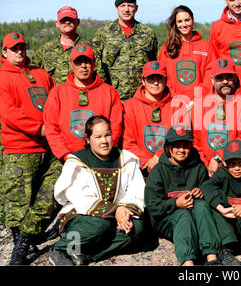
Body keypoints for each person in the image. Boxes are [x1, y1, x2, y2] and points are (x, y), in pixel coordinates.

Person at [49, 116, 146, 266]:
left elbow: (136, 189)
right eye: (98, 136)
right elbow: (81, 198)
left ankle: (85, 256)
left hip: (115, 216)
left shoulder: (125, 158)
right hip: (83, 216)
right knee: (101, 225)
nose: (104, 141)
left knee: (137, 229)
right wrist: (116, 210)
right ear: (88, 139)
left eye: (107, 135)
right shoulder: (77, 162)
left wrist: (125, 212)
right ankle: (60, 249)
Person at [0, 32, 62, 265]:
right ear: (4, 52)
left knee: (45, 196)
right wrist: (41, 128)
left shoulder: (40, 73)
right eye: (14, 48)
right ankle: (21, 247)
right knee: (18, 201)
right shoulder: (3, 78)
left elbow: (56, 99)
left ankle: (30, 236)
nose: (20, 52)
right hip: (20, 149)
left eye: (22, 47)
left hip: (48, 147)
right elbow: (9, 114)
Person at [144, 126, 221, 266]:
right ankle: (188, 262)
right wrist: (175, 204)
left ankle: (211, 256)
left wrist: (201, 191)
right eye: (176, 146)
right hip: (165, 218)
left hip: (193, 214)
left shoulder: (197, 166)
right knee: (182, 215)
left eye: (185, 146)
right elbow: (152, 206)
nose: (181, 150)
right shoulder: (158, 171)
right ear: (167, 147)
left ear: (191, 146)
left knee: (202, 205)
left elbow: (207, 187)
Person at [44, 44, 123, 162]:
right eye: (78, 62)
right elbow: (51, 129)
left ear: (94, 63)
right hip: (66, 158)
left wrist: (101, 153)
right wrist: (66, 156)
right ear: (71, 65)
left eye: (87, 61)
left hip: (101, 157)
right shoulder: (57, 93)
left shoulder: (110, 92)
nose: (83, 66)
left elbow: (115, 127)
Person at [192, 58, 241, 177]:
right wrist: (204, 165)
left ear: (236, 77)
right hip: (204, 169)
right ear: (212, 80)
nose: (225, 81)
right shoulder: (199, 105)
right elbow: (195, 142)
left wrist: (219, 156)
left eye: (229, 76)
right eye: (220, 78)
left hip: (235, 168)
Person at [123, 60, 190, 176]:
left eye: (159, 78)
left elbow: (181, 139)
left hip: (170, 166)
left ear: (166, 80)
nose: (155, 83)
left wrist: (159, 156)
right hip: (139, 168)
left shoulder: (178, 105)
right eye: (151, 79)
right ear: (143, 81)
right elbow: (128, 143)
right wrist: (147, 163)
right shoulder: (130, 106)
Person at [92, 0, 158, 100]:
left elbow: (155, 63)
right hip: (112, 95)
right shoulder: (103, 34)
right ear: (116, 8)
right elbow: (96, 64)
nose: (126, 9)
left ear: (136, 8)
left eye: (130, 6)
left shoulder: (148, 34)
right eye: (123, 6)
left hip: (142, 96)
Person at [158, 5, 211, 108]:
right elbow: (163, 76)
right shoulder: (167, 48)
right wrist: (174, 98)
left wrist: (197, 99)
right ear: (175, 24)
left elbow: (209, 76)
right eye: (180, 21)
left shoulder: (206, 46)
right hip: (173, 103)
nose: (184, 24)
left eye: (187, 20)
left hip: (200, 103)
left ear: (193, 20)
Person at [31, 6, 90, 85]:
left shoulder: (89, 48)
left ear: (78, 22)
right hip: (53, 96)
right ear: (57, 23)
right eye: (63, 20)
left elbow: (99, 76)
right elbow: (32, 75)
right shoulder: (44, 50)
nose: (67, 22)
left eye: (71, 19)